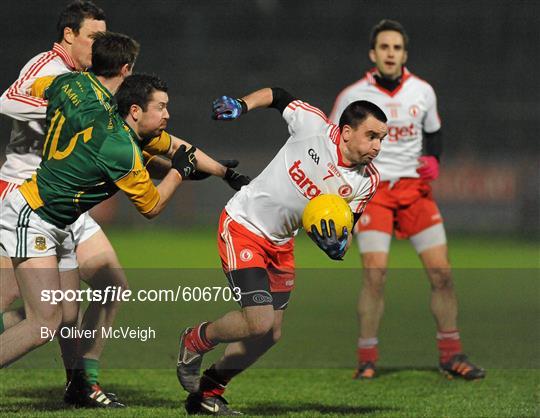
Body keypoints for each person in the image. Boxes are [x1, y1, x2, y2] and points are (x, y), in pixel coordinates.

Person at [0, 31, 248, 408]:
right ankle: (79, 382)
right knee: (44, 321)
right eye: (162, 107)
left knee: (70, 311)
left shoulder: (73, 86)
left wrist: (221, 172)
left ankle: (80, 386)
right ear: (134, 102)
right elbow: (151, 206)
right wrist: (178, 174)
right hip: (34, 213)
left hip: (59, 217)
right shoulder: (120, 147)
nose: (167, 114)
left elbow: (168, 144)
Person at [176, 87, 387, 415]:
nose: (377, 145)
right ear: (346, 132)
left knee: (270, 334)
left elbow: (346, 228)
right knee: (258, 322)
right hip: (244, 225)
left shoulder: (366, 181)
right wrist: (241, 105)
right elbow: (278, 95)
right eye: (371, 135)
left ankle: (208, 393)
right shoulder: (314, 126)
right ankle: (196, 339)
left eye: (382, 139)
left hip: (281, 244)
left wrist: (337, 246)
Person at [329, 19, 484, 380]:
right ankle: (366, 358)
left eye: (396, 48)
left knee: (442, 274)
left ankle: (451, 356)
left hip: (415, 192)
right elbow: (333, 140)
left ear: (404, 54)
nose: (390, 53)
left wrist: (435, 159)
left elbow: (434, 133)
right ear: (373, 53)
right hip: (375, 192)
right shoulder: (353, 95)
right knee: (375, 275)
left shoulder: (423, 92)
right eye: (384, 47)